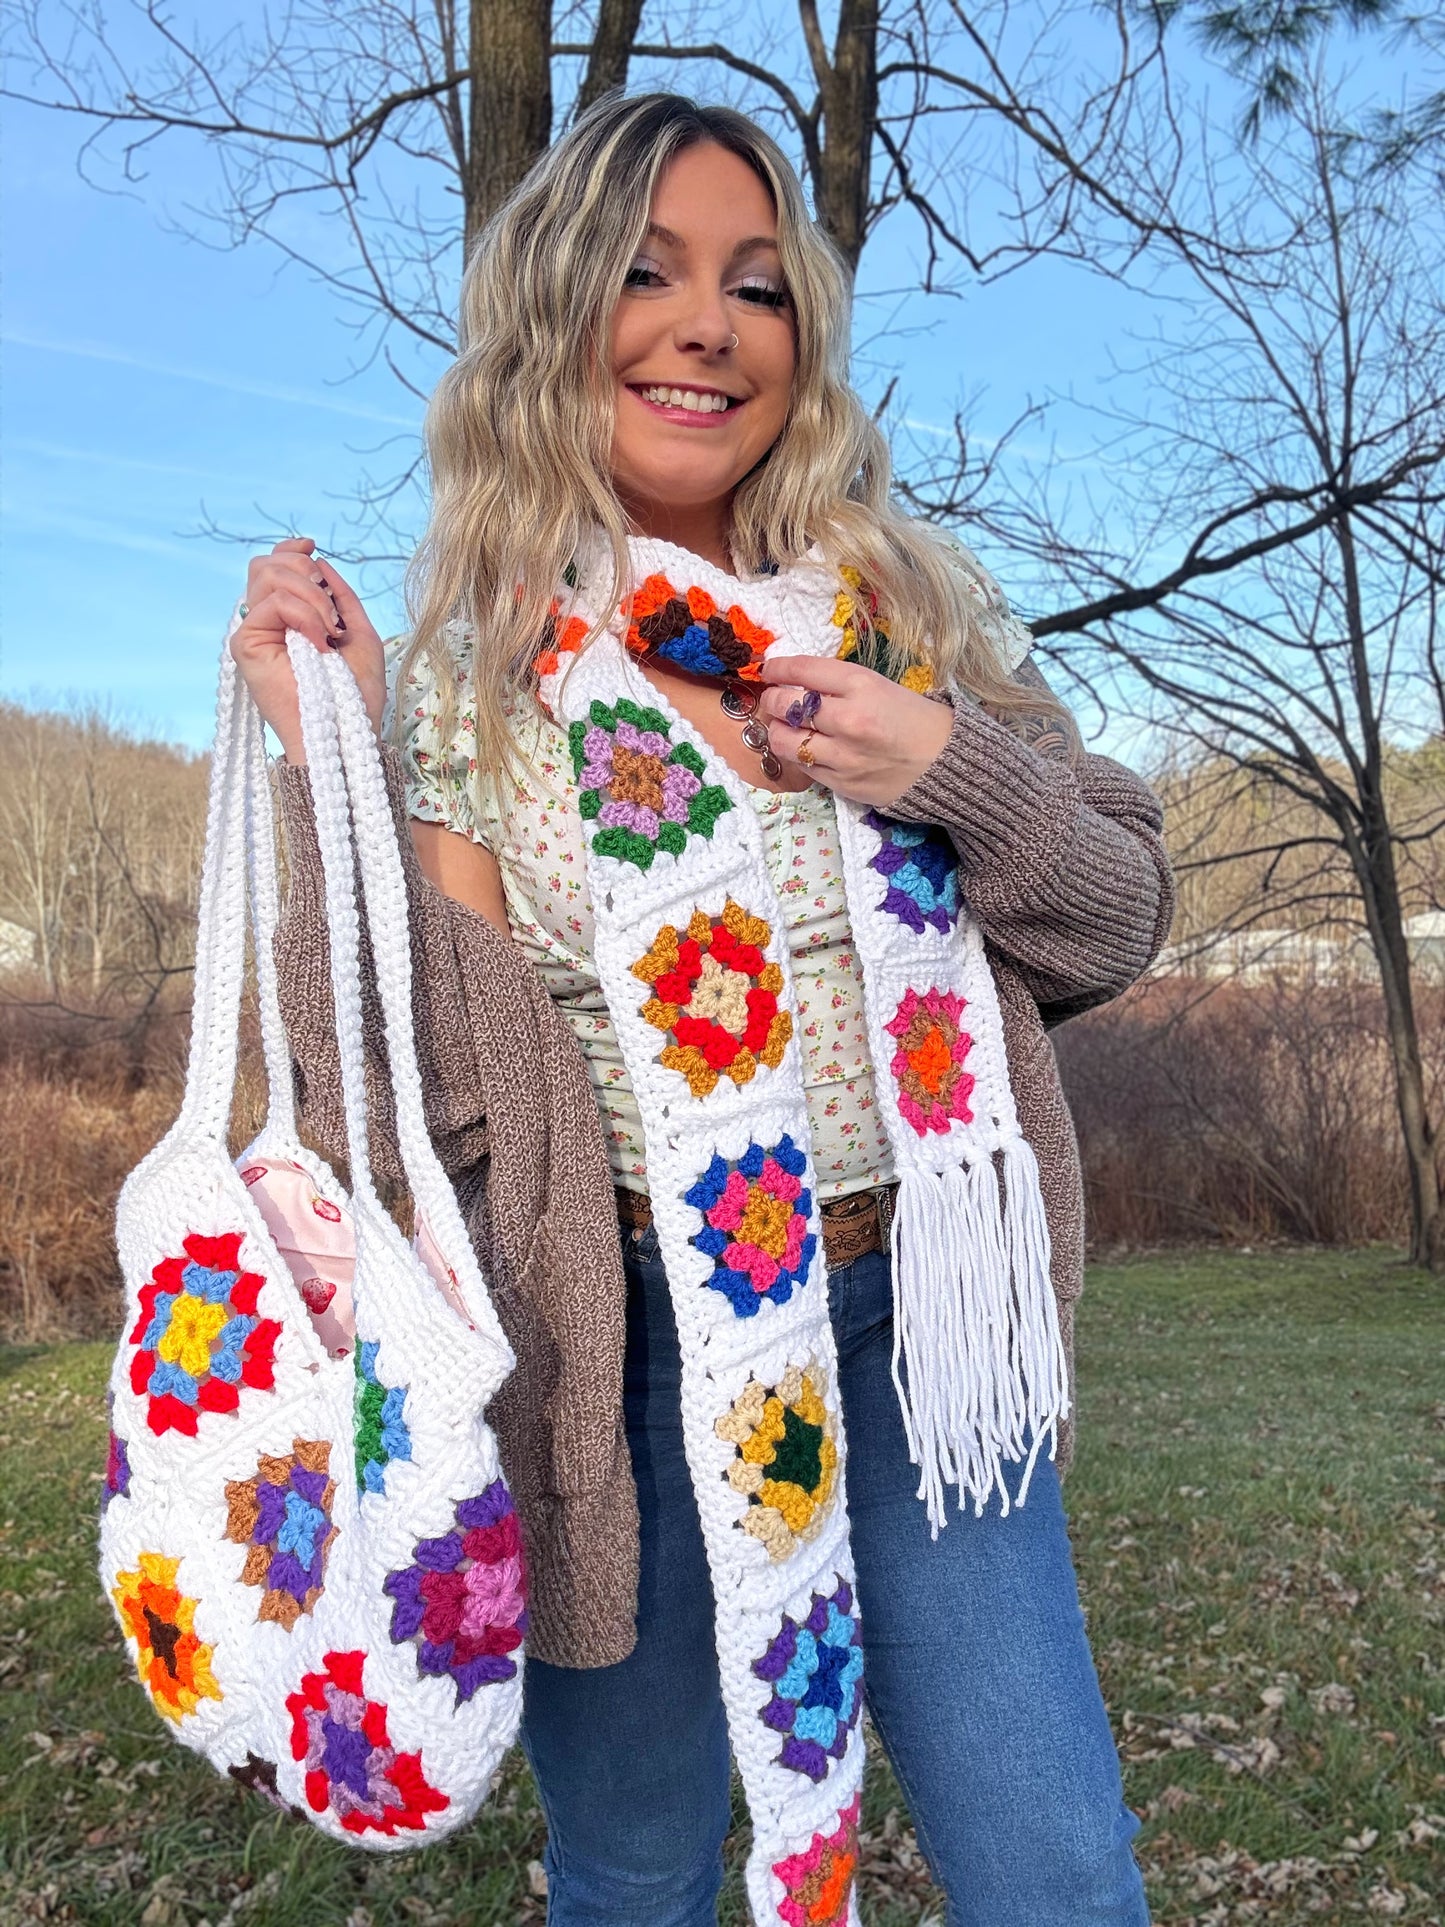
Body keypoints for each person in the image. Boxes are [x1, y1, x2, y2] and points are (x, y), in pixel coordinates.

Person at [232, 91, 1172, 1927]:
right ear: (552, 320)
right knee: (640, 1866)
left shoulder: (908, 626)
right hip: (628, 1348)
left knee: (1055, 1865)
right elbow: (431, 1086)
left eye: (755, 282)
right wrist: (316, 765)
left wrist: (948, 769)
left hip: (924, 1328)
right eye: (645, 273)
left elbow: (1116, 923)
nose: (706, 323)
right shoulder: (479, 689)